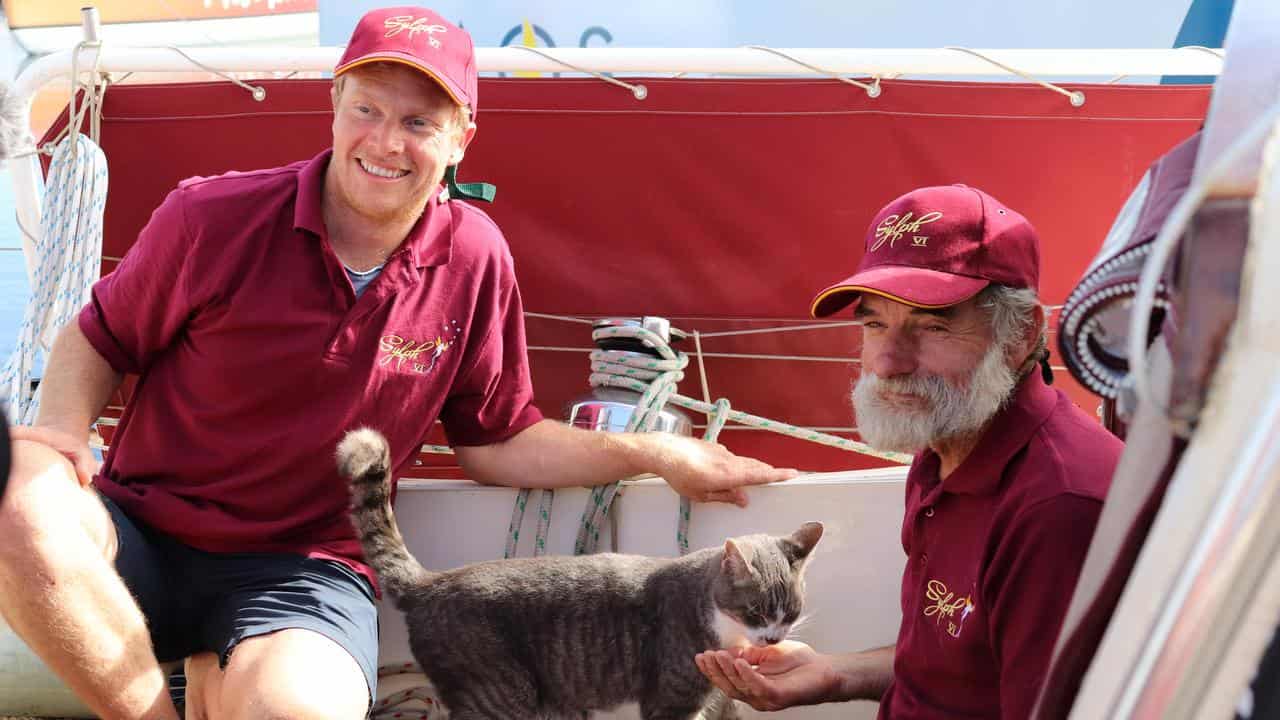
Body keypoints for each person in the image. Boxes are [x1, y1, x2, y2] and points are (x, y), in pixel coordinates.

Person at [0, 7, 794, 720]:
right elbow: (98, 336)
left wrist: (660, 452)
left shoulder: (476, 256)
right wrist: (63, 436)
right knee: (14, 489)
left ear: (460, 140)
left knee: (295, 713)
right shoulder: (210, 215)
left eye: (418, 122)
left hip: (303, 571)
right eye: (367, 110)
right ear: (335, 108)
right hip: (142, 533)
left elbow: (496, 439)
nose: (385, 141)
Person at [696, 184, 1123, 718]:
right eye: (876, 324)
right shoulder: (944, 446)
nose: (887, 362)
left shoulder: (1059, 509)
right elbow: (955, 666)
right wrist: (837, 673)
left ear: (1020, 335)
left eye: (931, 326)